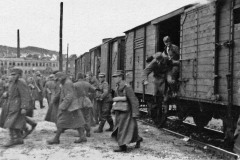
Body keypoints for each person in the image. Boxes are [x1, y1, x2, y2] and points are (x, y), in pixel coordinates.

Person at [47, 72, 87, 144]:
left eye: (58, 79)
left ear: (61, 78)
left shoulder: (67, 83)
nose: (57, 81)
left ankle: (56, 138)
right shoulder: (65, 83)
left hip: (69, 106)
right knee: (78, 122)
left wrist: (63, 106)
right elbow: (61, 93)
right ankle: (82, 136)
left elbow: (69, 96)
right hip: (72, 106)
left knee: (61, 121)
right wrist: (54, 100)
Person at [111, 70, 143, 152]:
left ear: (121, 77)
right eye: (114, 77)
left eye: (116, 77)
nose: (114, 79)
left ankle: (122, 146)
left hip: (126, 111)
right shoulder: (117, 87)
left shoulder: (127, 87)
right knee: (124, 128)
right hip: (119, 110)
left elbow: (134, 100)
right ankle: (137, 139)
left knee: (122, 128)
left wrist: (135, 113)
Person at [0, 67, 31, 147]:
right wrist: (6, 94)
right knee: (15, 122)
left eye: (14, 75)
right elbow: (11, 91)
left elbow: (25, 95)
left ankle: (13, 139)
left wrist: (24, 107)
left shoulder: (21, 82)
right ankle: (19, 139)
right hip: (11, 104)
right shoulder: (13, 82)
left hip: (17, 105)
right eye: (11, 74)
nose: (12, 76)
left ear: (19, 75)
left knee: (10, 122)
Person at [142, 52, 171, 126]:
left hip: (165, 79)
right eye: (157, 60)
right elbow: (145, 71)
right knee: (156, 100)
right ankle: (156, 120)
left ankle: (163, 119)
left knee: (165, 100)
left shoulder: (167, 59)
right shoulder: (154, 62)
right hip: (157, 80)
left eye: (160, 60)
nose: (158, 61)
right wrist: (145, 80)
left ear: (162, 58)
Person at [74, 72, 96, 137]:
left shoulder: (75, 84)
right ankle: (88, 131)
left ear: (77, 77)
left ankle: (81, 132)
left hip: (78, 102)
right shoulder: (87, 83)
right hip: (87, 101)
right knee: (87, 117)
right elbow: (93, 90)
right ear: (83, 77)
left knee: (80, 117)